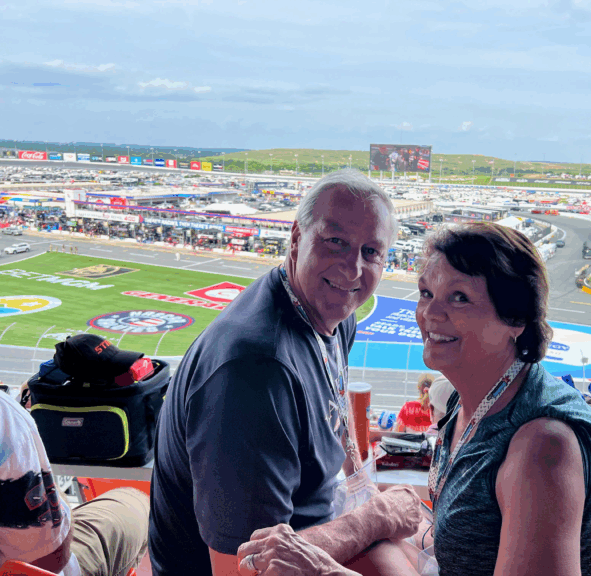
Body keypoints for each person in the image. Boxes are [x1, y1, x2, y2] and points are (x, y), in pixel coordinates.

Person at [237, 222, 591, 576]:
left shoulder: (542, 449)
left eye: (459, 298)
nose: (429, 313)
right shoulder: (467, 403)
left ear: (515, 321)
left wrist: (324, 571)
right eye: (426, 293)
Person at [148, 169, 419, 576]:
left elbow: (333, 403)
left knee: (420, 538)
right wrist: (372, 519)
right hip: (236, 566)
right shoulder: (254, 373)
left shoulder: (333, 312)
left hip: (304, 529)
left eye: (371, 252)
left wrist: (364, 489)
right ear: (295, 238)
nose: (353, 269)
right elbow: (244, 567)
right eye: (336, 242)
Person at [0, 385, 149, 576]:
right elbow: (50, 560)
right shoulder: (5, 415)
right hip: (36, 564)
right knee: (136, 501)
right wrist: (54, 494)